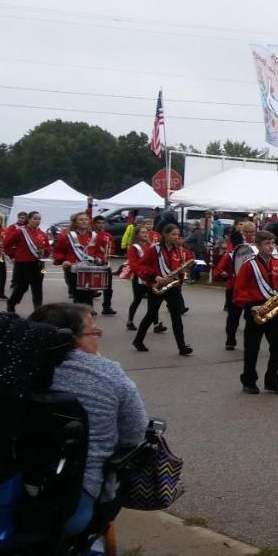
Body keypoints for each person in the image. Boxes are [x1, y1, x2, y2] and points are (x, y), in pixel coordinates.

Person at [29, 303, 147, 536]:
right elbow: (135, 434)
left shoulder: (16, 369)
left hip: (10, 492)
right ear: (72, 339)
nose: (98, 337)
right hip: (75, 501)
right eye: (93, 332)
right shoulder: (109, 373)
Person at [234, 231, 278, 395]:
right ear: (257, 245)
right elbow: (239, 290)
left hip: (273, 308)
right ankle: (249, 381)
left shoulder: (277, 263)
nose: (271, 246)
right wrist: (251, 306)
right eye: (267, 243)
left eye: (272, 243)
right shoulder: (248, 265)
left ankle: (272, 380)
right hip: (255, 310)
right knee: (252, 347)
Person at [130, 223, 193, 356]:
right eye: (173, 234)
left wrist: (185, 271)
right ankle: (138, 340)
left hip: (173, 286)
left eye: (178, 235)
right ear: (165, 235)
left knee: (176, 317)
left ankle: (182, 347)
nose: (176, 237)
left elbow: (186, 265)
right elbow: (142, 267)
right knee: (151, 314)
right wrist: (155, 276)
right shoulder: (154, 250)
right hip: (157, 285)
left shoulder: (180, 251)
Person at [54, 213, 105, 307]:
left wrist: (99, 258)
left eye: (86, 219)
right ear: (75, 222)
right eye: (81, 220)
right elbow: (58, 252)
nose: (84, 221)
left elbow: (99, 252)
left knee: (89, 297)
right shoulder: (66, 236)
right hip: (73, 270)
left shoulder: (94, 236)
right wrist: (63, 261)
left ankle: (88, 317)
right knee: (77, 297)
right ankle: (77, 318)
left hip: (89, 270)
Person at [4, 211, 50, 314]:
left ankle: (38, 310)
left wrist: (45, 252)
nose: (37, 221)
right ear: (28, 219)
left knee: (38, 287)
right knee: (21, 287)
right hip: (23, 263)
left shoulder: (42, 234)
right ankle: (11, 303)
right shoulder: (20, 231)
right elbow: (7, 243)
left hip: (39, 264)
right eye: (35, 219)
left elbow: (48, 248)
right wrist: (13, 255)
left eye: (39, 219)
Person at [124, 228, 165, 335]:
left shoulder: (151, 246)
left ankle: (156, 324)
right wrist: (144, 273)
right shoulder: (134, 248)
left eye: (147, 232)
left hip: (151, 277)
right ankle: (130, 321)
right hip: (139, 277)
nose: (146, 234)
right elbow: (134, 264)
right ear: (137, 235)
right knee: (137, 300)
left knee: (153, 301)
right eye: (142, 232)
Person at [213, 231, 242, 350]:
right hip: (237, 288)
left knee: (234, 316)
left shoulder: (229, 254)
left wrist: (221, 273)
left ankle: (231, 340)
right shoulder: (230, 255)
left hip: (236, 288)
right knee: (234, 316)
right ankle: (231, 339)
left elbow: (217, 271)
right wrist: (223, 273)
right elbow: (218, 271)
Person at [91, 215, 117, 315]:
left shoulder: (108, 236)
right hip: (94, 263)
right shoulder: (91, 235)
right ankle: (90, 308)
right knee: (91, 287)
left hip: (105, 263)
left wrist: (110, 251)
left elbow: (113, 249)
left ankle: (107, 307)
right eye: (98, 223)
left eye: (102, 223)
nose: (101, 225)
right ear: (94, 224)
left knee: (108, 287)